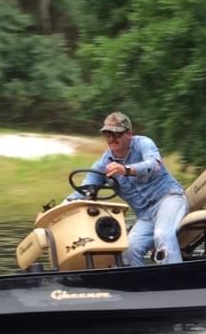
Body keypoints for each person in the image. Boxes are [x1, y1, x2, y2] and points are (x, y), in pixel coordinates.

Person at [70, 112, 188, 266]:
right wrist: (56, 210)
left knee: (162, 234)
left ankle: (176, 281)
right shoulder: (102, 165)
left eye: (116, 134)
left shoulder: (143, 144)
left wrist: (126, 169)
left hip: (169, 198)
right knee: (129, 248)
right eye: (107, 134)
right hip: (145, 216)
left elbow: (154, 165)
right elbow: (82, 190)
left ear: (129, 134)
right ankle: (142, 288)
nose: (112, 139)